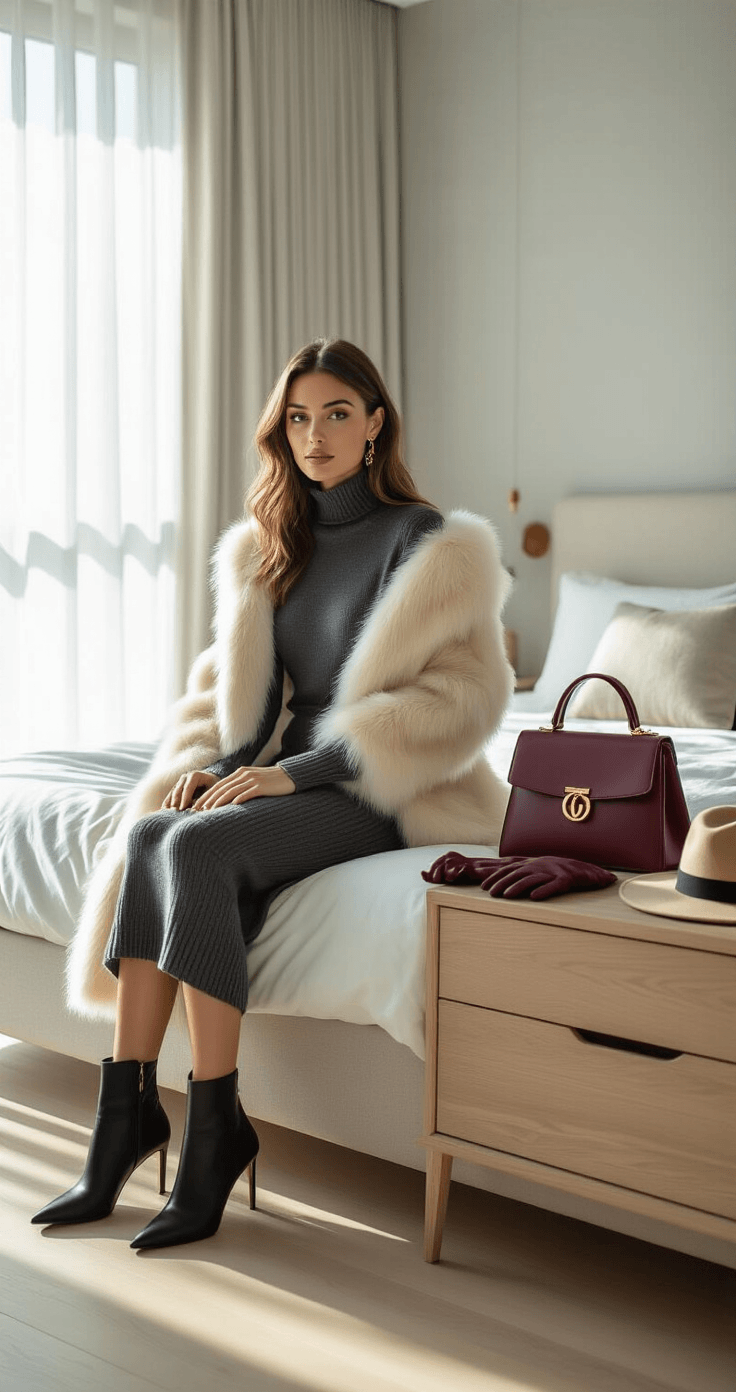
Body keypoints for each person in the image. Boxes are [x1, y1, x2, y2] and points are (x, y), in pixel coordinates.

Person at [32, 338, 513, 1250]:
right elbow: (252, 711)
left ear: (376, 425)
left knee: (198, 847)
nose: (316, 434)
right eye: (299, 417)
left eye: (338, 413)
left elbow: (451, 706)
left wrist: (290, 776)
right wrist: (219, 767)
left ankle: (217, 1128)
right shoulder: (268, 543)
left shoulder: (427, 543)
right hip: (284, 777)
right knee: (153, 833)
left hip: (372, 790)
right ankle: (126, 1111)